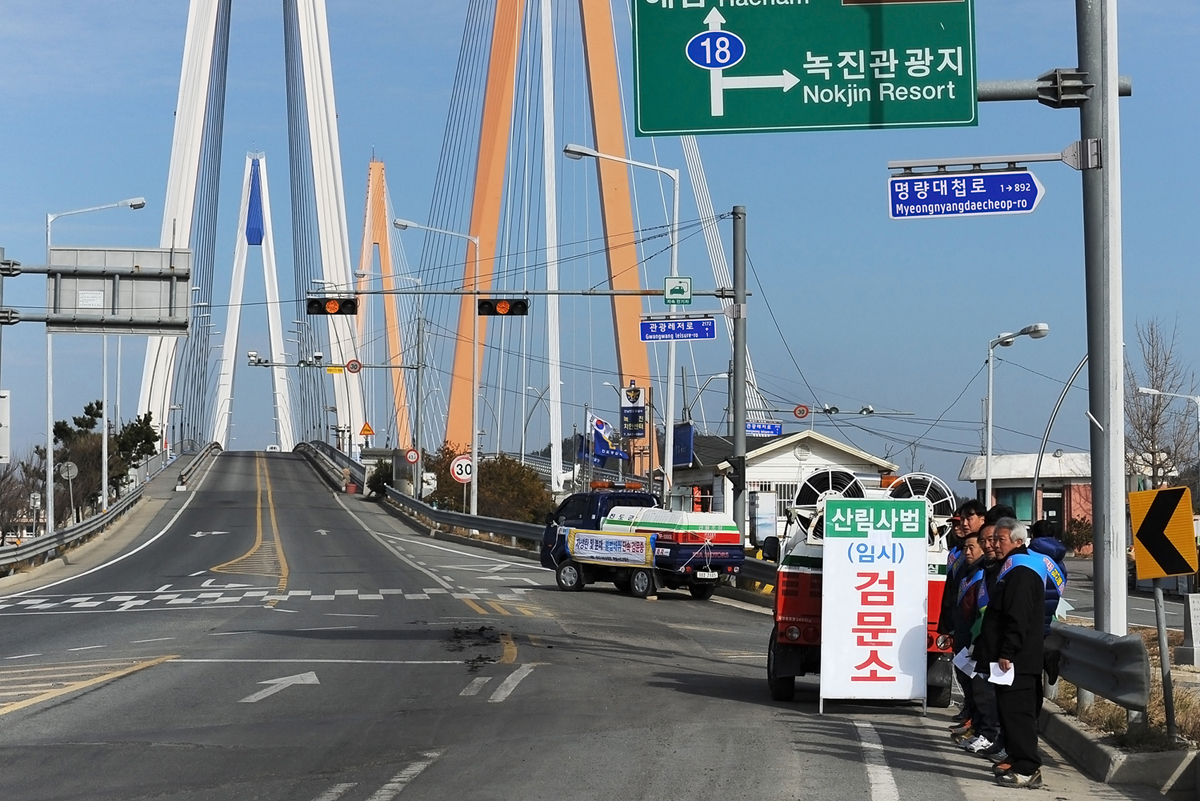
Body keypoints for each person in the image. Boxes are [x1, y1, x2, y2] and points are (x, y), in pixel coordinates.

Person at [976, 518, 1046, 788]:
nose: (994, 544)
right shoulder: (1010, 568)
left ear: (1018, 541)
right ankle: (1017, 760)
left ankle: (1028, 768)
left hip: (1017, 659)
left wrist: (1007, 651)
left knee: (1019, 714)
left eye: (1000, 539)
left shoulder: (1022, 571)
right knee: (1009, 712)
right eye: (993, 540)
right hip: (1009, 658)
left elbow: (1018, 617)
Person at [938, 501, 987, 726]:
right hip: (959, 621)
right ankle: (970, 713)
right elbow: (951, 592)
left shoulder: (983, 557)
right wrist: (946, 624)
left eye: (966, 520)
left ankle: (978, 721)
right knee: (962, 670)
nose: (961, 526)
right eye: (958, 522)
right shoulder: (957, 553)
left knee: (976, 678)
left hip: (975, 626)